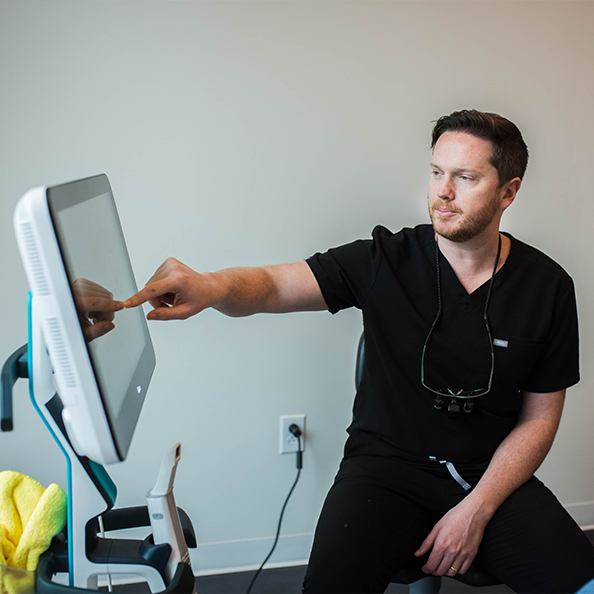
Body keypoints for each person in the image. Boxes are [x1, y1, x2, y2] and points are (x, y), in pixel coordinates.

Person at [124, 110, 594, 593]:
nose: (443, 192)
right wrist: (211, 285)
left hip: (486, 476)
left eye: (465, 177)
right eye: (436, 172)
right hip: (383, 472)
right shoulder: (384, 260)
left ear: (508, 192)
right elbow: (271, 286)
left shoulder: (548, 287)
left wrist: (476, 509)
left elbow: (539, 419)